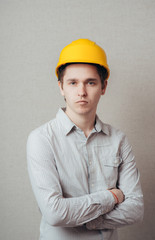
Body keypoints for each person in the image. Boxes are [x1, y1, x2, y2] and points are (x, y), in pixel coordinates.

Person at [27, 39, 144, 240]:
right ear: (61, 87)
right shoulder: (41, 139)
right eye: (73, 83)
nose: (81, 92)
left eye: (90, 82)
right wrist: (112, 197)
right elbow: (54, 213)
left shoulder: (118, 140)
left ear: (103, 86)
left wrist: (87, 219)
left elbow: (135, 209)